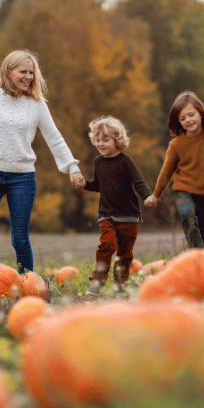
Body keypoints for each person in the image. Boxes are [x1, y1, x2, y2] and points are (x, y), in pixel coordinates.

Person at [0, 50, 85, 301]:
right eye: (22, 72)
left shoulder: (37, 104)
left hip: (22, 178)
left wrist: (72, 166)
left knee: (20, 238)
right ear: (8, 72)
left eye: (31, 72)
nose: (28, 76)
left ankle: (29, 288)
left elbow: (54, 138)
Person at [76, 116, 154, 296]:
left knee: (124, 254)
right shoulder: (98, 162)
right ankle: (98, 281)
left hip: (129, 216)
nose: (100, 144)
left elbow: (138, 181)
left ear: (117, 140)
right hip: (107, 215)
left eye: (105, 140)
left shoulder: (126, 161)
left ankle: (120, 286)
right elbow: (98, 185)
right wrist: (85, 184)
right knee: (107, 245)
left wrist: (148, 195)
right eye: (97, 140)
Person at [145, 91, 204, 250]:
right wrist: (156, 194)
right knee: (187, 216)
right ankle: (197, 258)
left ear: (200, 112)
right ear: (178, 122)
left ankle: (198, 262)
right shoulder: (176, 144)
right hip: (184, 192)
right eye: (182, 118)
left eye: (191, 115)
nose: (188, 120)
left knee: (200, 237)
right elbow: (166, 172)